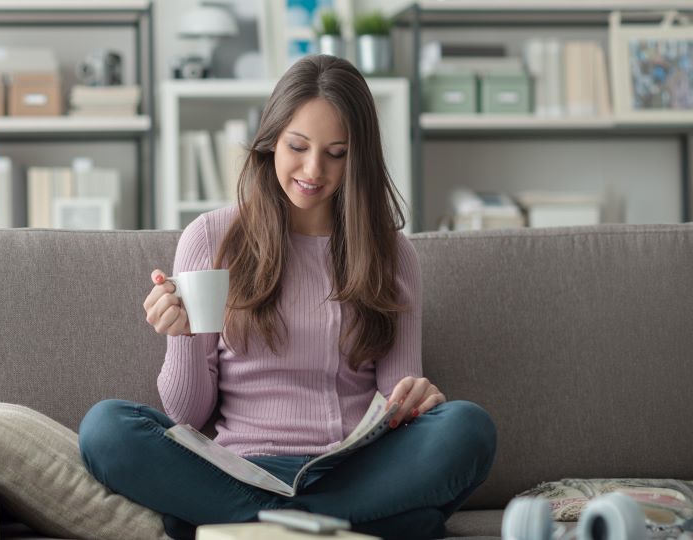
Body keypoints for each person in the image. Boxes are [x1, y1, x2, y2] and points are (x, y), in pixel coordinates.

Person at [78, 55, 496, 540]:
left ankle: (240, 526)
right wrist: (183, 338)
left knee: (468, 428)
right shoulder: (210, 238)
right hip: (237, 469)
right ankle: (351, 526)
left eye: (336, 153)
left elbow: (396, 399)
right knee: (106, 428)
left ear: (358, 157)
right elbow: (188, 416)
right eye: (298, 146)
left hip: (354, 467)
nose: (313, 170)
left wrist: (416, 401)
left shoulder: (389, 252)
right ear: (272, 139)